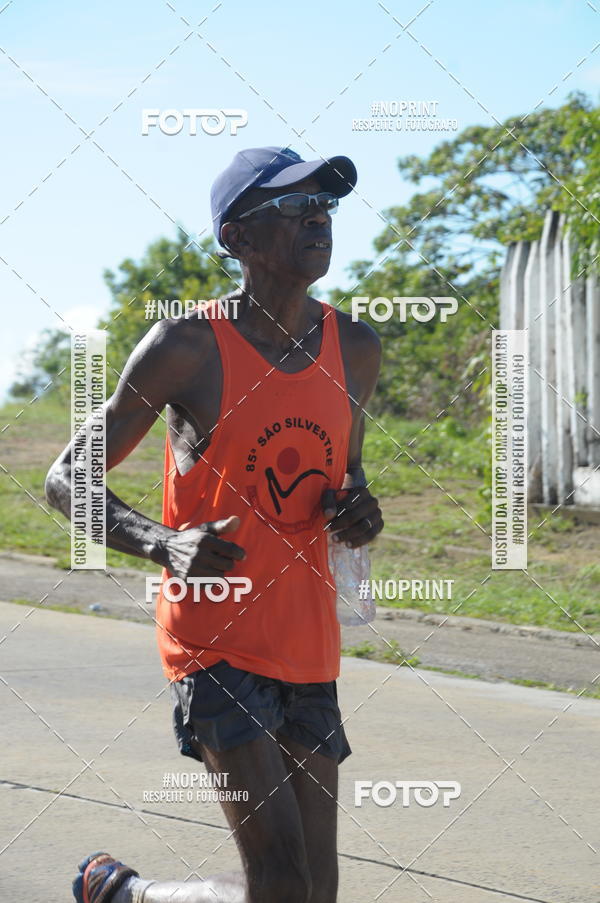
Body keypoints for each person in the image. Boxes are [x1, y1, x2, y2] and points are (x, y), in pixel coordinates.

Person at [46, 145, 383, 903]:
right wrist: (161, 542)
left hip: (308, 640)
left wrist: (358, 508)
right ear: (237, 238)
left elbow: (347, 473)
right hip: (214, 637)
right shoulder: (187, 347)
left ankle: (128, 894)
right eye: (294, 207)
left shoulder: (355, 347)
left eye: (324, 205)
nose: (318, 219)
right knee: (285, 883)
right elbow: (66, 477)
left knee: (305, 896)